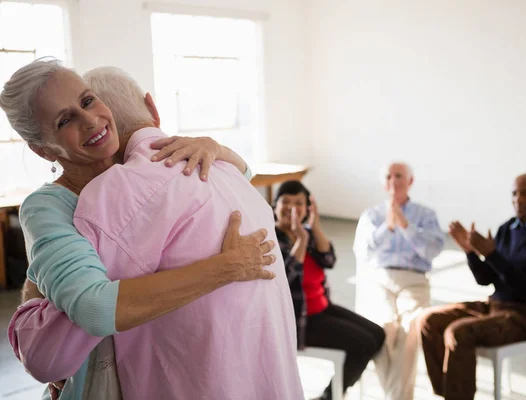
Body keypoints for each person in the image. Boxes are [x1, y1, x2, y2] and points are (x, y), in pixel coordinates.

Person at [3, 60, 303, 399]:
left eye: (88, 101)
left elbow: (235, 182)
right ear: (43, 149)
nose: (90, 121)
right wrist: (225, 268)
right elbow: (76, 316)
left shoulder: (150, 176)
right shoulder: (50, 207)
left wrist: (216, 148)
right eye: (65, 120)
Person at [419, 173, 526, 400]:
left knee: (458, 332)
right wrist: (471, 252)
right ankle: (448, 395)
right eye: (514, 193)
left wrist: (491, 253)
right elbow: (485, 279)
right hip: (495, 307)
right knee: (429, 321)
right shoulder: (507, 229)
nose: (518, 199)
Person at [274, 180, 385, 400]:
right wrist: (302, 241)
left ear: (308, 209)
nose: (291, 207)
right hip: (299, 321)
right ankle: (328, 397)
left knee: (378, 335)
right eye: (285, 201)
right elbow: (284, 277)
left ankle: (331, 393)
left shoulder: (306, 232)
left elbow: (329, 259)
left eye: (299, 203)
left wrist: (314, 227)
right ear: (274, 205)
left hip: (322, 308)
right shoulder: (270, 237)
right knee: (364, 343)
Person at [353, 162, 444, 400]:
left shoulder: (425, 214)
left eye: (399, 176)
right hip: (379, 279)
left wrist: (405, 225)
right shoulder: (372, 215)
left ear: (410, 181)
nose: (394, 181)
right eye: (389, 177)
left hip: (414, 280)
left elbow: (433, 250)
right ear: (384, 183)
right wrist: (388, 227)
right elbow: (363, 252)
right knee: (384, 327)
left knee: (411, 328)